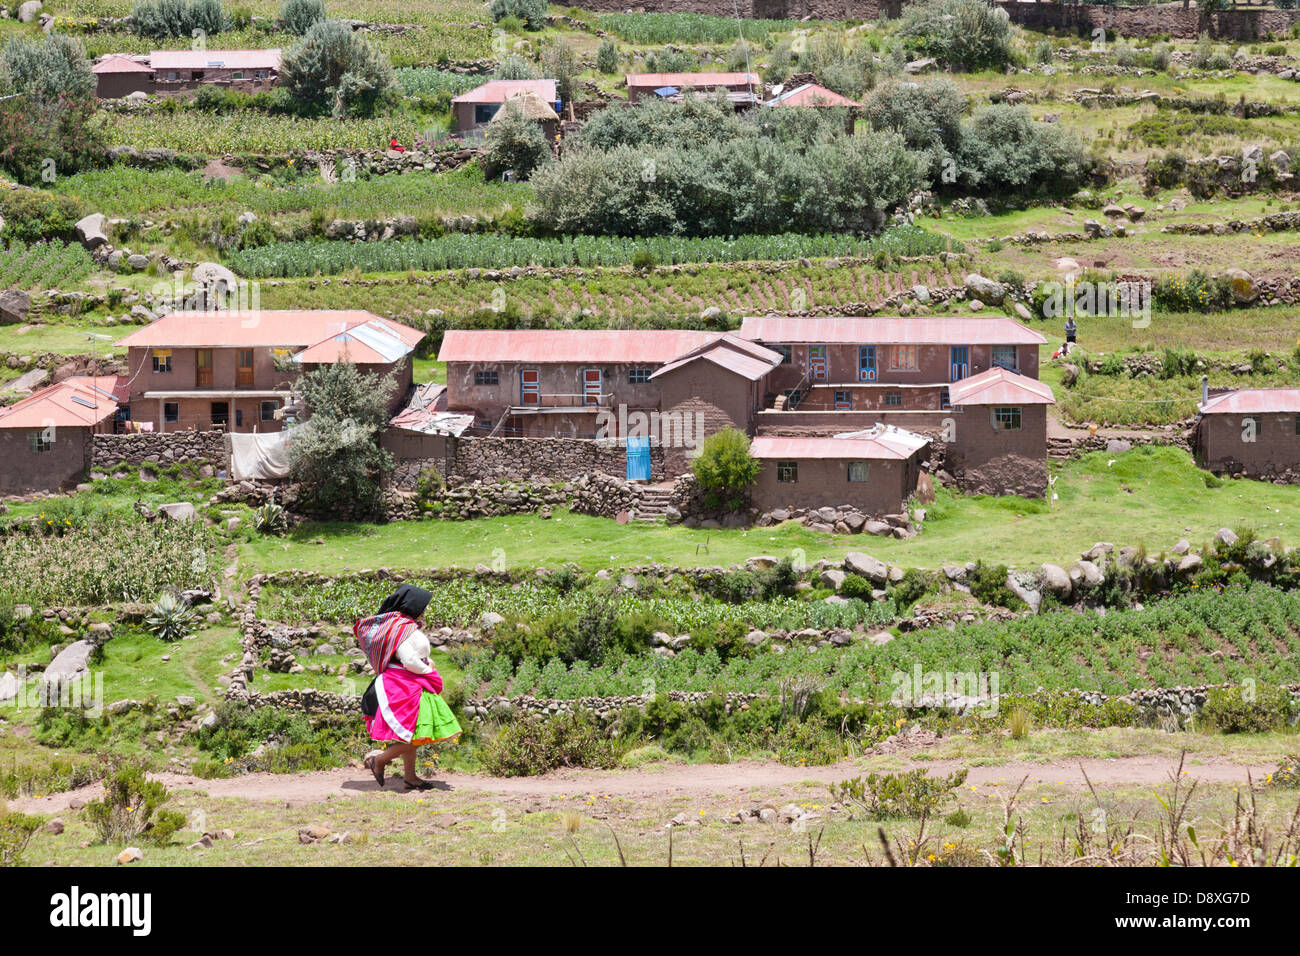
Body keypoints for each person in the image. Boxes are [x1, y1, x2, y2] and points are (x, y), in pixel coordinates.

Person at [354, 584, 461, 791]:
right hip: (403, 684)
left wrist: (426, 665)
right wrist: (428, 670)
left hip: (412, 681)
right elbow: (409, 659)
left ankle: (410, 777)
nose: (425, 610)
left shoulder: (406, 626)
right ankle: (381, 760)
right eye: (423, 606)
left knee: (411, 732)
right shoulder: (400, 629)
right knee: (417, 733)